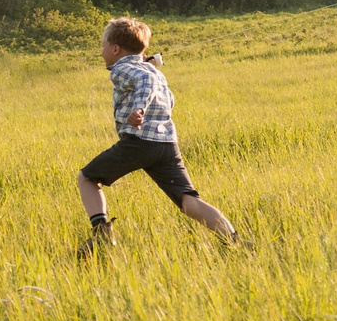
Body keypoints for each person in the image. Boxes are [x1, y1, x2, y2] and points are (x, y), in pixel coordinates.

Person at [79, 15, 237, 249]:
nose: (101, 52)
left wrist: (138, 108)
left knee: (87, 178)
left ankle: (101, 233)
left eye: (103, 47)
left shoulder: (122, 69)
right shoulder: (155, 72)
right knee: (187, 200)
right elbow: (169, 100)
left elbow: (144, 82)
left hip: (138, 142)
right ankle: (235, 241)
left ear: (115, 49)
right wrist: (148, 69)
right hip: (166, 145)